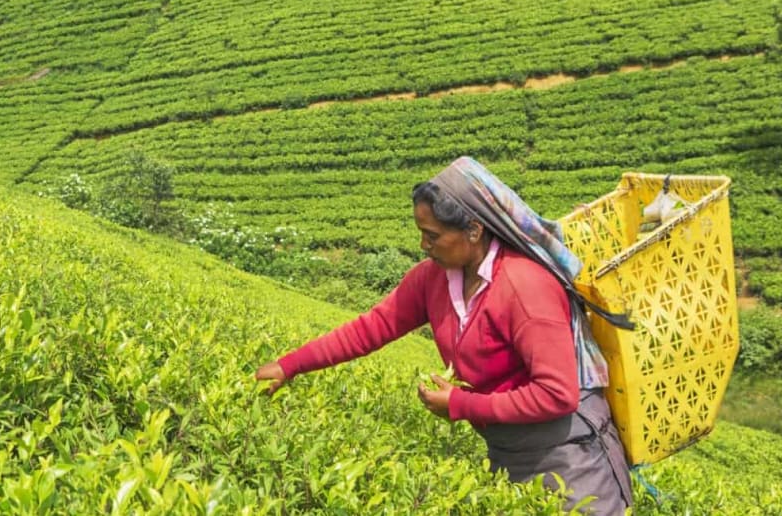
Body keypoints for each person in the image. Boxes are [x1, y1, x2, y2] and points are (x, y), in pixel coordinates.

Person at [253, 157, 634, 515]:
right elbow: (369, 330)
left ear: (473, 230)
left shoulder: (524, 287)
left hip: (571, 457)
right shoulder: (432, 280)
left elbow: (557, 394)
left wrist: (461, 405)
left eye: (432, 235)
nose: (423, 245)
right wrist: (289, 366)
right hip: (507, 448)